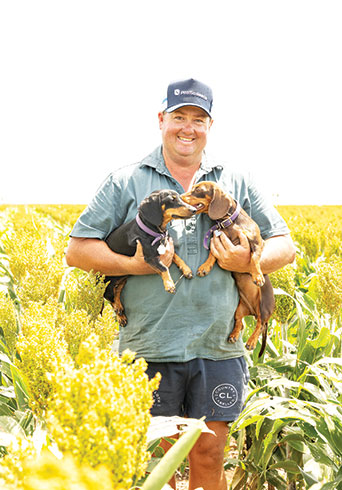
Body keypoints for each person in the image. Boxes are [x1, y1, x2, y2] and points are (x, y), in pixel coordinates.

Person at [66, 78, 296, 490]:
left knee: (208, 454)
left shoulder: (235, 181)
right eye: (178, 118)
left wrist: (246, 260)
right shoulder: (126, 180)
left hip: (218, 347)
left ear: (209, 126)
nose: (187, 128)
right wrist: (137, 266)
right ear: (161, 120)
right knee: (155, 462)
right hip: (148, 347)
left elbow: (285, 246)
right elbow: (78, 250)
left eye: (198, 119)